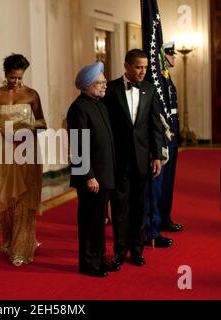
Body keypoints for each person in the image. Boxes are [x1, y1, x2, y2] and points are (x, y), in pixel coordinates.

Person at [102, 49, 164, 271]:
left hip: (142, 158)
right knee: (120, 208)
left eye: (145, 67)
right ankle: (119, 252)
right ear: (127, 65)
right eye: (138, 67)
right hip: (118, 159)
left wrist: (157, 155)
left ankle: (137, 251)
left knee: (139, 206)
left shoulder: (149, 88)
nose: (142, 71)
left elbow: (155, 125)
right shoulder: (110, 89)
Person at [0, 53, 47, 267]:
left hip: (27, 151)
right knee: (7, 201)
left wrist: (28, 130)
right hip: (5, 153)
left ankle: (22, 246)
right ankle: (9, 240)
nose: (17, 82)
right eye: (13, 77)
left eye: (20, 77)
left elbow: (42, 123)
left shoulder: (31, 95)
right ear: (6, 74)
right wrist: (2, 133)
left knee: (25, 200)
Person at [67, 62, 116, 277]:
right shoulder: (78, 108)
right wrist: (89, 176)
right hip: (91, 177)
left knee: (100, 221)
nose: (105, 86)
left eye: (104, 82)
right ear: (87, 85)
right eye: (100, 83)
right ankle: (88, 263)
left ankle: (99, 257)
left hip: (103, 175)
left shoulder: (99, 104)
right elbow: (78, 146)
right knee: (90, 222)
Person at [145, 42, 182, 248]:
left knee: (168, 182)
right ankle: (153, 225)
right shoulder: (156, 82)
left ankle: (164, 218)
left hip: (171, 135)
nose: (174, 58)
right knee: (157, 185)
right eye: (170, 55)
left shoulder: (167, 80)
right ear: (161, 58)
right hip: (162, 136)